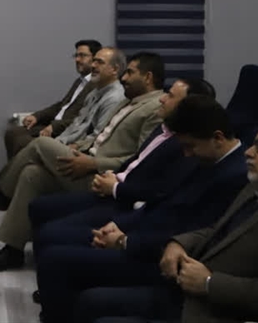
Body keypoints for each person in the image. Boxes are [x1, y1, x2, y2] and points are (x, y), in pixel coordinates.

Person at [75, 113, 258, 323]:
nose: (249, 152)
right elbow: (218, 229)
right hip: (189, 291)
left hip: (222, 310)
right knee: (90, 301)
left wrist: (211, 284)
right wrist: (178, 243)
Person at [34, 94, 247, 323]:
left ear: (218, 138)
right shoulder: (206, 159)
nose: (186, 153)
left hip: (158, 259)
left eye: (190, 146)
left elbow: (193, 234)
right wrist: (118, 226)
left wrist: (124, 242)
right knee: (54, 249)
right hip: (140, 234)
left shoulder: (235, 177)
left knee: (56, 261)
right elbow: (161, 203)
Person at [0, 51, 165, 273]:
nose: (124, 77)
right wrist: (79, 147)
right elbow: (99, 136)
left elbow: (141, 158)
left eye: (130, 72)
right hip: (85, 158)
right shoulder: (128, 102)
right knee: (32, 174)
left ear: (148, 77)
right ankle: (12, 251)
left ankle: (1, 192)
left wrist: (94, 163)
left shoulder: (154, 109)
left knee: (40, 144)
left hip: (102, 178)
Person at [29, 77, 217, 255]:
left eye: (170, 96)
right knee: (36, 194)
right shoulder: (163, 129)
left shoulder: (186, 148)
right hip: (111, 184)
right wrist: (111, 175)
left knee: (50, 231)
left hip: (127, 203)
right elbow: (135, 160)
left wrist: (115, 187)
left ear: (189, 107)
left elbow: (159, 192)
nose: (162, 99)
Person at [0, 47, 127, 211]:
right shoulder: (95, 93)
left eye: (99, 62)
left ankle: (1, 192)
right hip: (67, 141)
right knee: (30, 169)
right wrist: (60, 141)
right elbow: (76, 123)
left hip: (83, 157)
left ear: (115, 69)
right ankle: (10, 201)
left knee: (39, 144)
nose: (93, 65)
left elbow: (98, 136)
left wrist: (73, 145)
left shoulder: (114, 98)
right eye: (94, 61)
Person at [3, 40, 102, 157]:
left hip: (66, 132)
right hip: (52, 125)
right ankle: (17, 168)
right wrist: (36, 116)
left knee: (22, 141)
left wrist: (54, 127)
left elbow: (84, 119)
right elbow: (62, 106)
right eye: (76, 55)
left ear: (95, 59)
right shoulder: (80, 81)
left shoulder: (97, 85)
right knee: (13, 133)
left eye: (82, 55)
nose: (77, 60)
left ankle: (21, 168)